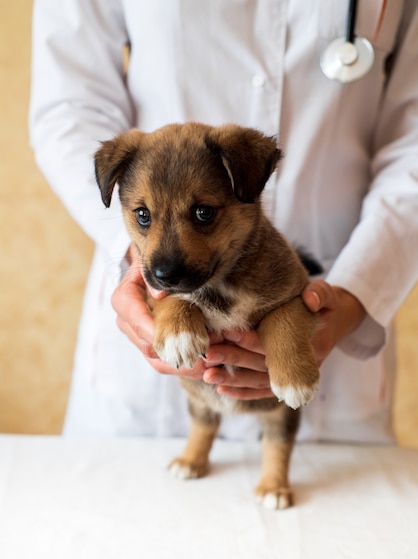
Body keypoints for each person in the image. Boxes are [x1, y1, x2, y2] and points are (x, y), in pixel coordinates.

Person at [29, 0, 418, 443]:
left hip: (333, 301)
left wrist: (353, 295)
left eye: (203, 215)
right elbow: (68, 107)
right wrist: (140, 265)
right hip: (145, 402)